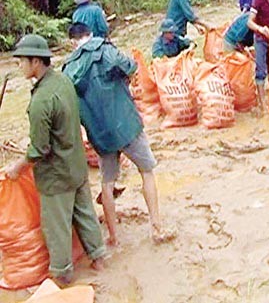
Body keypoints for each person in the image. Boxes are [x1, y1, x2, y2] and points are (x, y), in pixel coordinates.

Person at [7, 34, 106, 285]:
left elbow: (39, 149)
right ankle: (99, 259)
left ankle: (62, 275)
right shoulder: (63, 81)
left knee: (56, 225)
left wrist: (17, 168)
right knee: (85, 215)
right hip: (76, 165)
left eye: (22, 62)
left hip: (56, 176)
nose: (19, 66)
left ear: (36, 62)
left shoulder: (41, 100)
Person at [63, 23, 170, 246]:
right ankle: (157, 228)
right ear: (90, 35)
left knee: (107, 182)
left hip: (100, 135)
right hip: (126, 124)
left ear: (72, 42)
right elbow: (130, 67)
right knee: (147, 170)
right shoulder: (106, 49)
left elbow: (67, 105)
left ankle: (113, 237)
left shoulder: (68, 69)